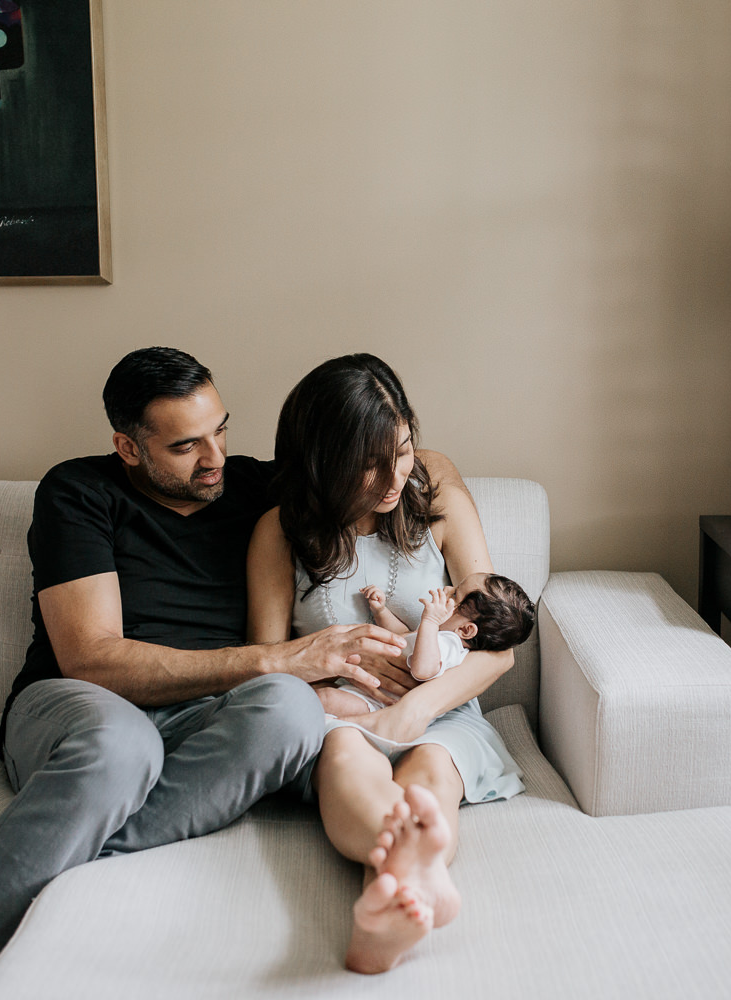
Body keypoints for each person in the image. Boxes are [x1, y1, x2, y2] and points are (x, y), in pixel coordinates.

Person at [0, 347, 407, 999]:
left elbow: (408, 471)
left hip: (211, 713)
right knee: (123, 745)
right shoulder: (78, 492)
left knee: (293, 710)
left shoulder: (256, 487)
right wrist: (278, 658)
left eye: (220, 429)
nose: (215, 458)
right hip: (80, 704)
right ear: (129, 448)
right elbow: (93, 661)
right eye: (186, 446)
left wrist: (416, 461)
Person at [247, 353, 524, 975]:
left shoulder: (441, 508)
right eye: (366, 464)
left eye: (401, 450)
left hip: (442, 710)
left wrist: (418, 707)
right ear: (322, 463)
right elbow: (263, 663)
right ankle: (401, 886)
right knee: (348, 758)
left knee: (431, 770)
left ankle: (386, 905)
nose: (391, 477)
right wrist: (327, 684)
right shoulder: (281, 531)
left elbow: (498, 645)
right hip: (339, 716)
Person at [320, 575, 536, 717]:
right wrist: (381, 612)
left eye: (455, 595)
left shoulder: (449, 645)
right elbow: (402, 638)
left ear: (466, 630)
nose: (447, 588)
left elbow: (423, 670)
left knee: (325, 699)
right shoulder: (437, 637)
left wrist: (430, 622)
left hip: (378, 705)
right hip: (363, 689)